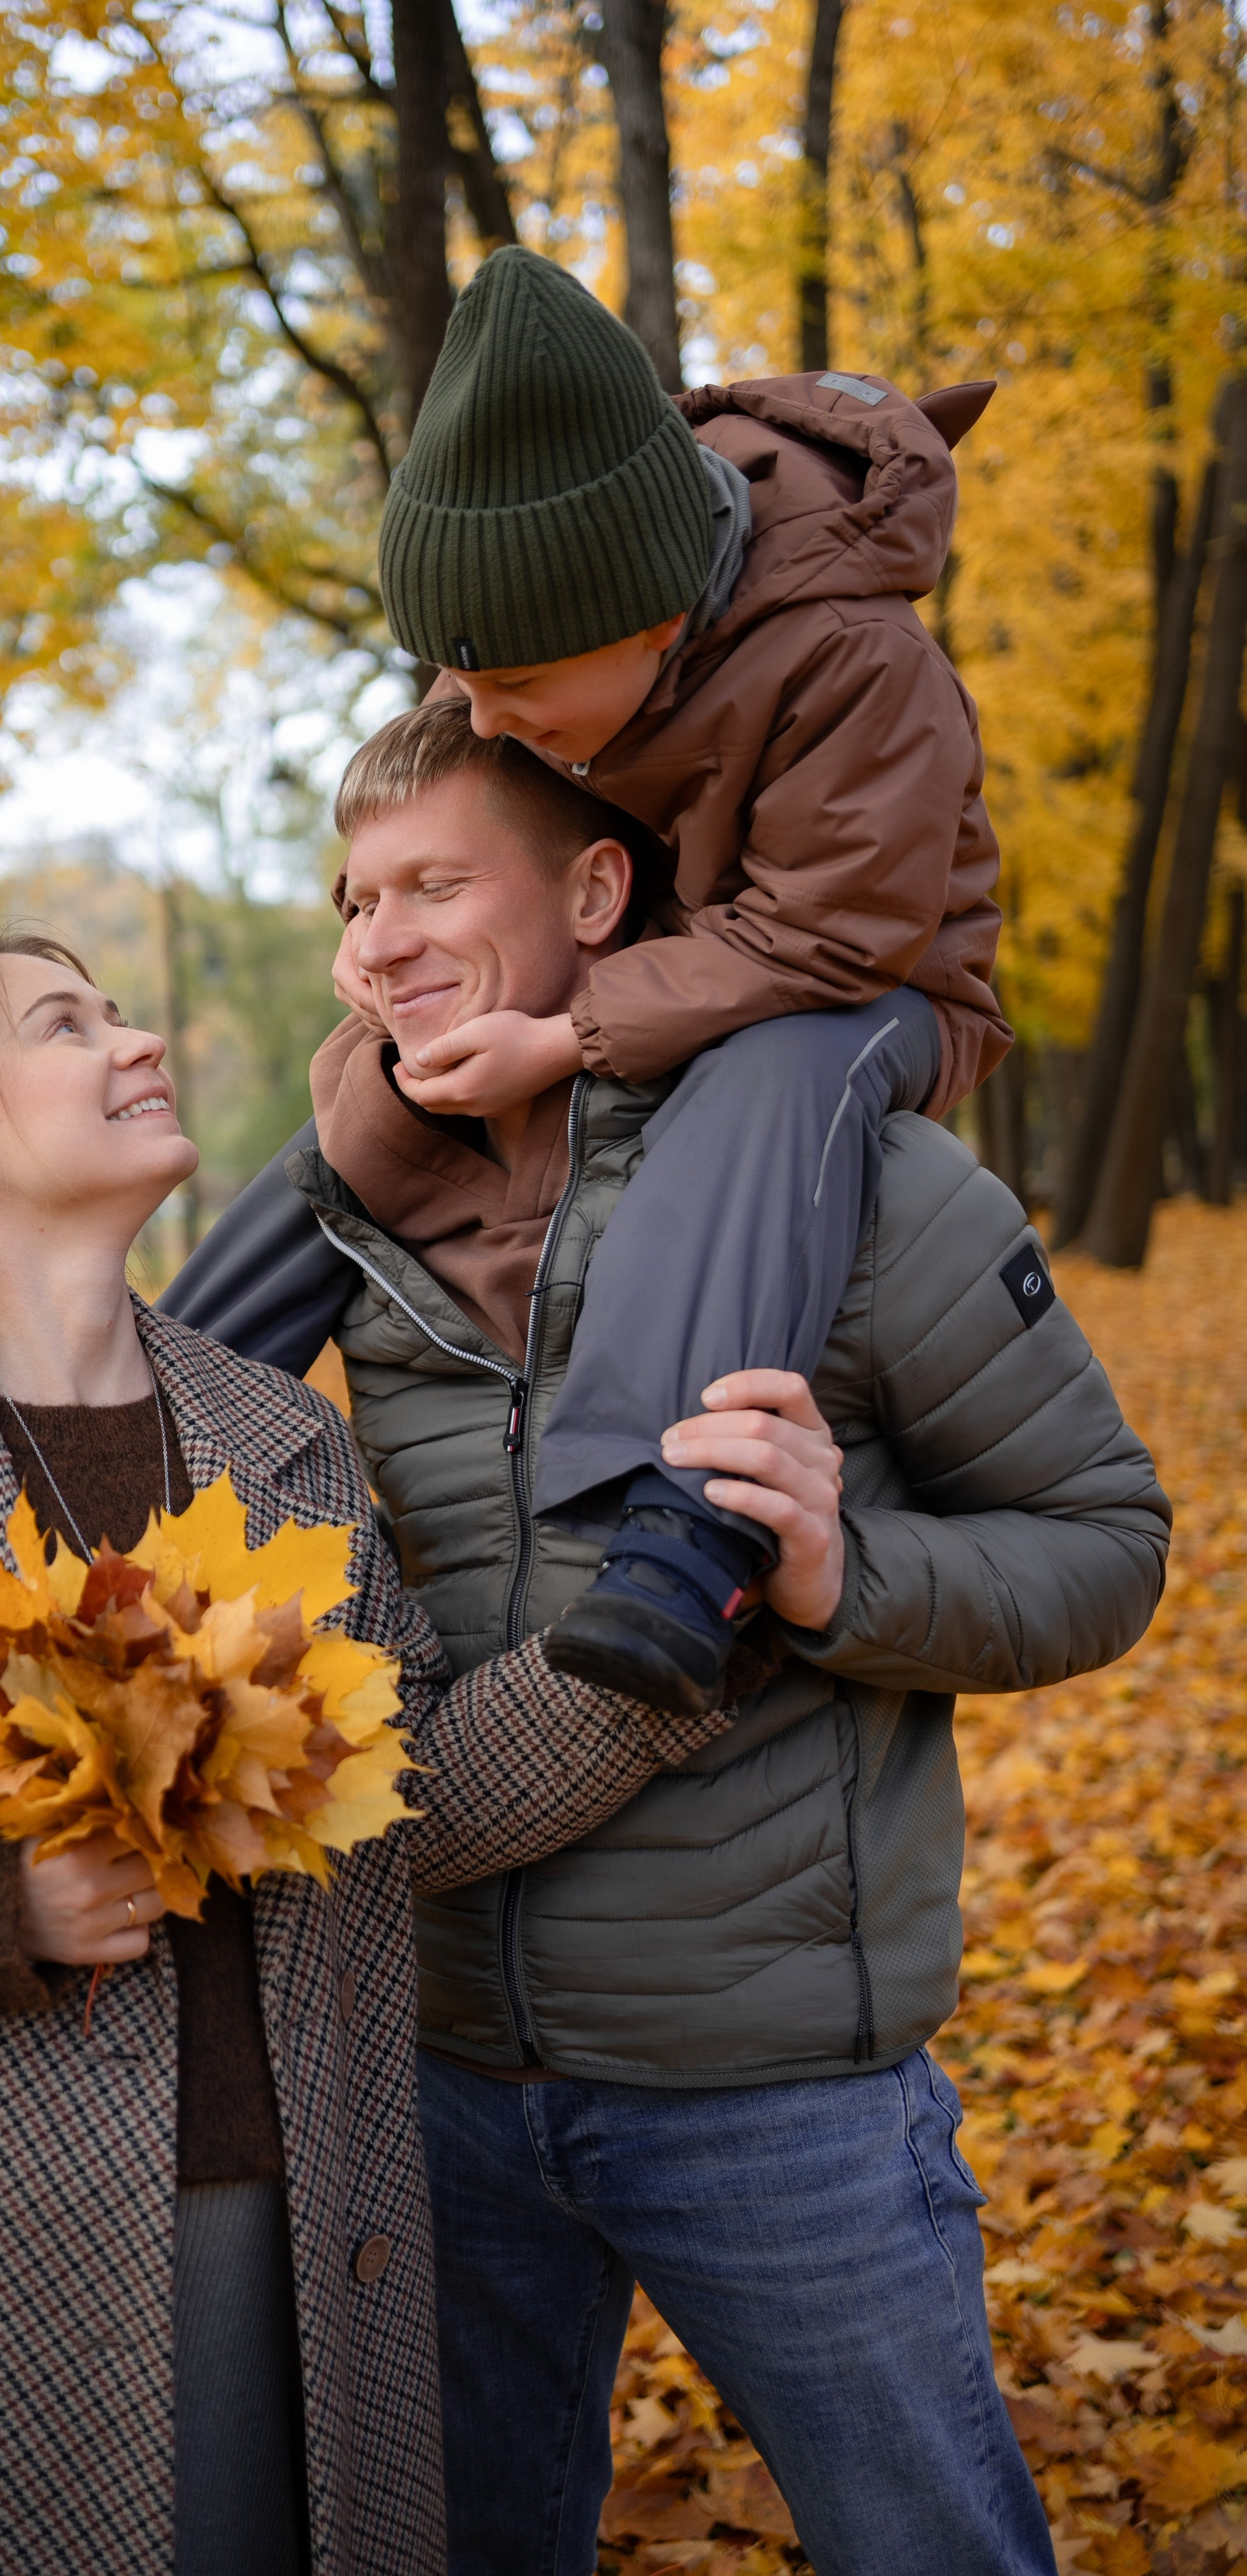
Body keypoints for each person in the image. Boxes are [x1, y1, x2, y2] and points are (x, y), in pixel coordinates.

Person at [0, 921, 757, 2576]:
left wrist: (658, 1636)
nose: (133, 1043)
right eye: (67, 1024)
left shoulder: (281, 1441)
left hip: (280, 2240)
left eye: (123, 1013)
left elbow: (396, 1798)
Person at [163, 720, 1171, 2576]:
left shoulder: (856, 1184)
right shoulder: (342, 1235)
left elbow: (1106, 1545)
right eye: (353, 901)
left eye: (434, 887)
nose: (375, 946)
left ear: (599, 893)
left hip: (782, 2096)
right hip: (444, 2077)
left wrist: (838, 1574)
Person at [185, 247, 1012, 1723]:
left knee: (774, 1072)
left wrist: (565, 1034)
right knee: (378, 1086)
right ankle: (149, 1405)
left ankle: (689, 1524)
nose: (480, 722)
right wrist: (372, 932)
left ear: (646, 624)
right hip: (643, 957)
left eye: (511, 697)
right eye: (461, 684)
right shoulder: (523, 641)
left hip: (869, 987)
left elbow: (831, 938)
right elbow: (444, 781)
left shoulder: (851, 662)